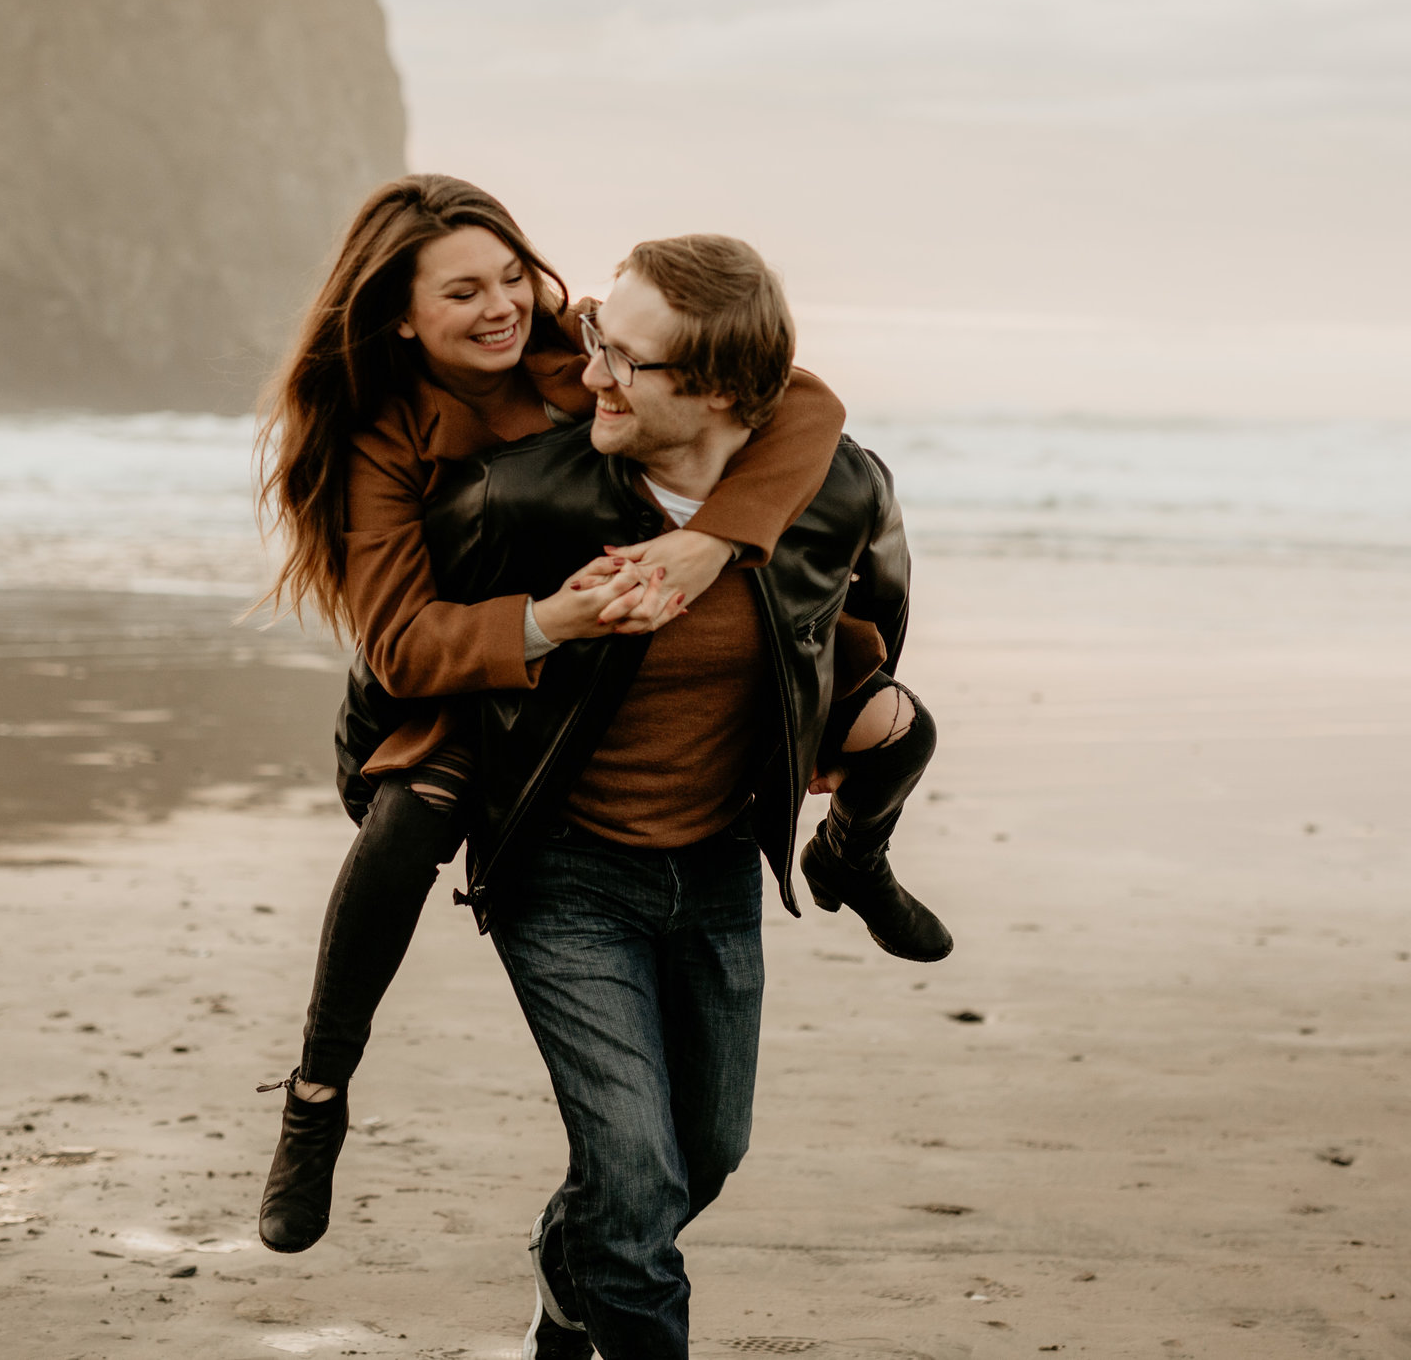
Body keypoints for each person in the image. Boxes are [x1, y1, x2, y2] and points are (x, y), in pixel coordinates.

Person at [248, 178, 947, 1263]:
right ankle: (318, 1091)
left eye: (514, 274)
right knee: (411, 819)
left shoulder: (572, 361)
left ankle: (856, 855)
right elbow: (401, 645)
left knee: (896, 722)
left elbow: (796, 402)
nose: (503, 306)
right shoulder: (385, 441)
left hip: (629, 669)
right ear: (398, 313)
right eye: (463, 291)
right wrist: (550, 618)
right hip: (470, 678)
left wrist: (712, 539)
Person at [386, 233, 914, 1358]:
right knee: (635, 1172)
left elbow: (864, 613)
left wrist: (831, 720)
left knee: (703, 1155)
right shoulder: (518, 498)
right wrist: (390, 798)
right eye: (593, 340)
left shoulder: (840, 487)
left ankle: (566, 1267)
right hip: (562, 871)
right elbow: (394, 658)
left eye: (627, 361)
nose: (589, 377)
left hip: (718, 864)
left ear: (722, 389)